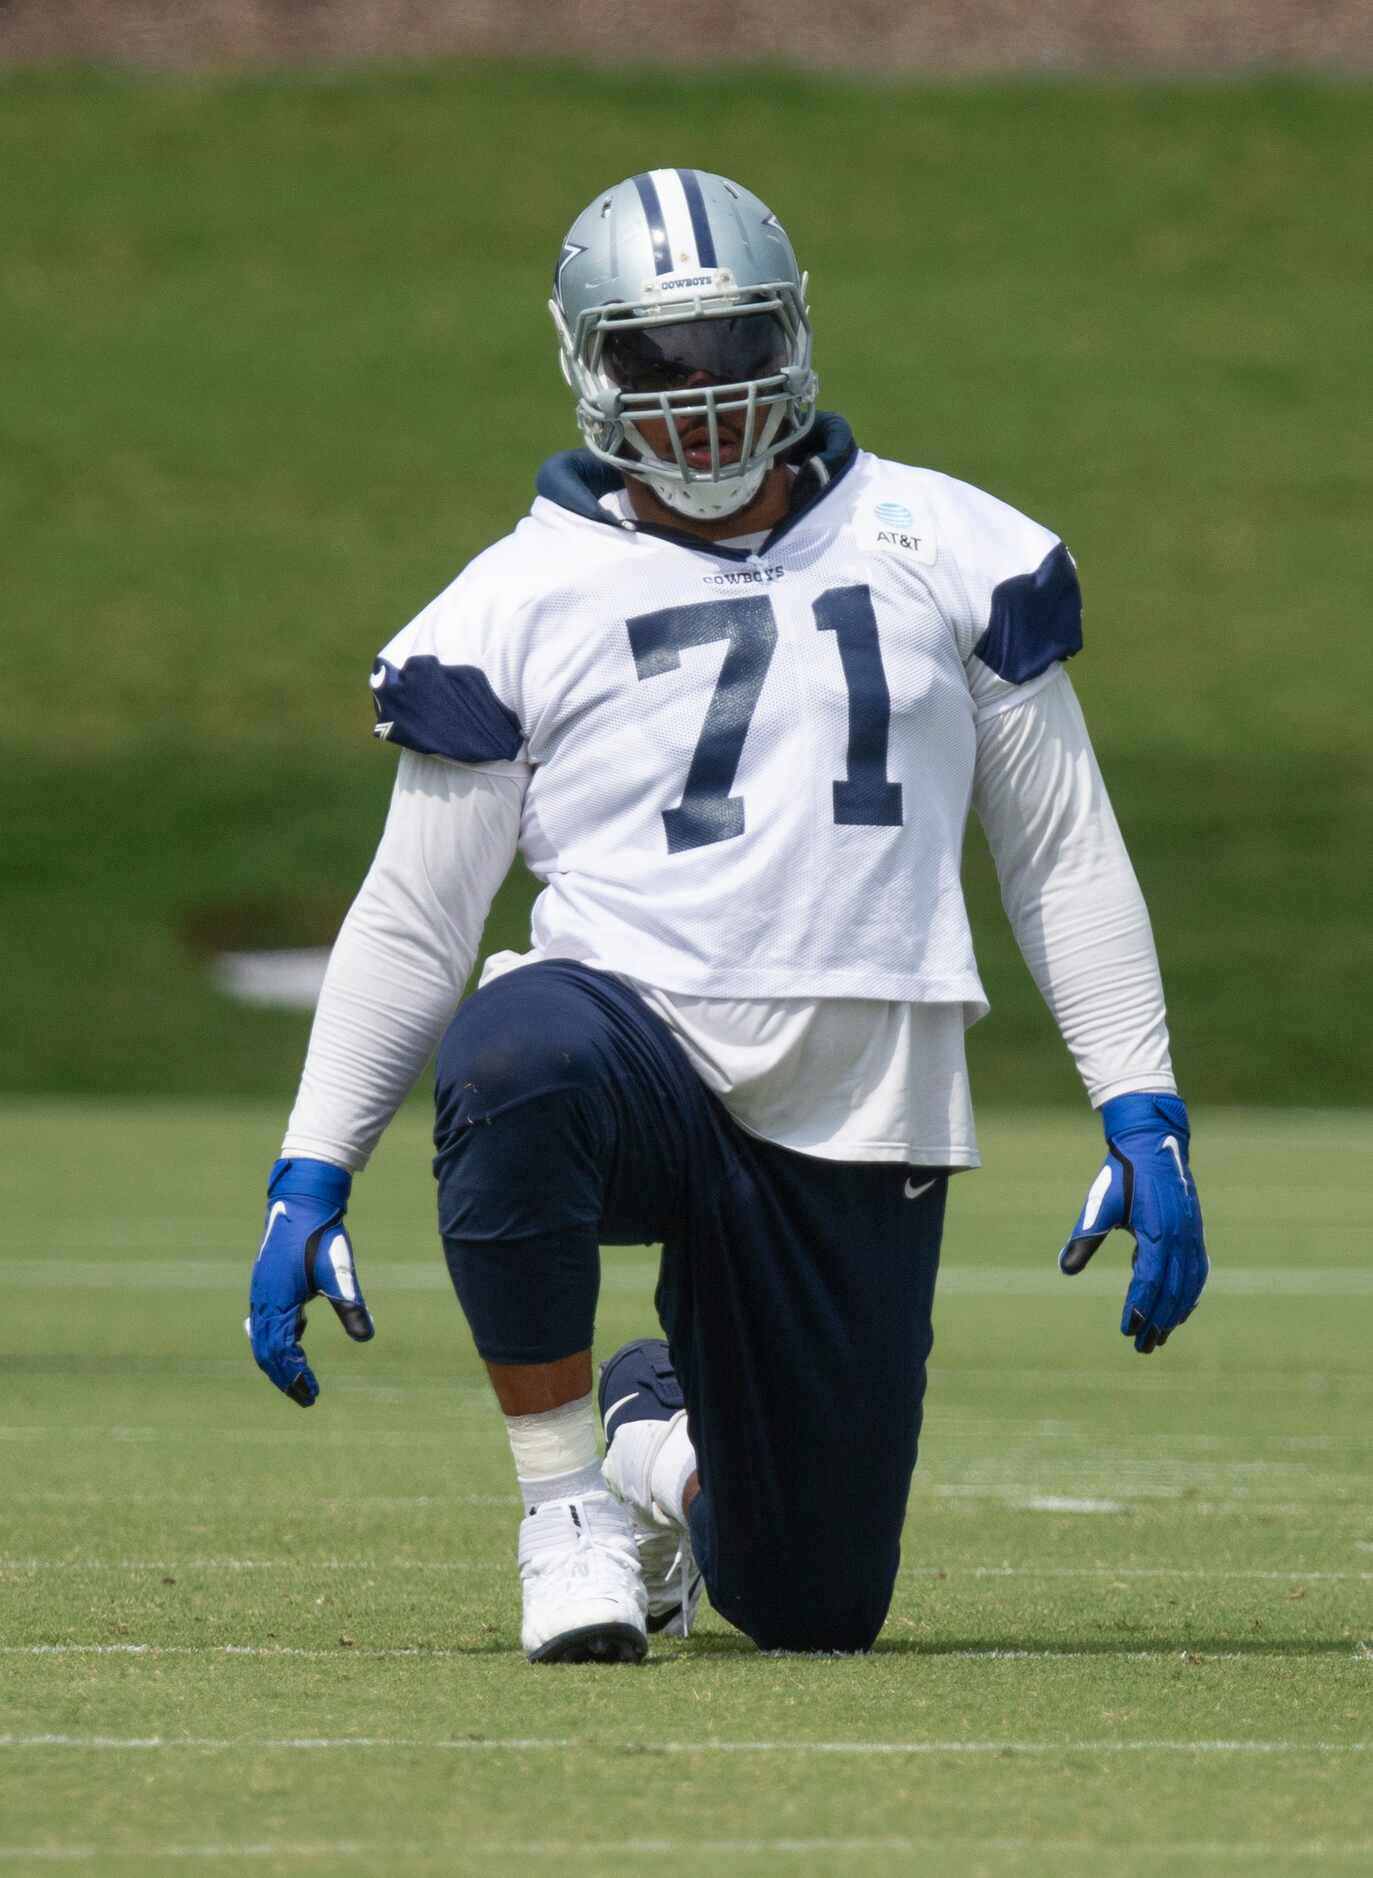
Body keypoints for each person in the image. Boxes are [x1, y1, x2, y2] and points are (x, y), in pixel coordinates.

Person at [247, 169, 1208, 1664]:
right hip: (626, 1045)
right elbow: (416, 917)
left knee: (811, 1604)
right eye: (652, 356)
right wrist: (310, 1170)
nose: (697, 395)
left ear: (796, 336)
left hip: (856, 1097)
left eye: (728, 344)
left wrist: (1139, 1105)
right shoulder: (512, 601)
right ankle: (563, 1509)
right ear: (584, 365)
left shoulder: (951, 546)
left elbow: (1060, 853)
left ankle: (652, 1441)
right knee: (513, 1054)